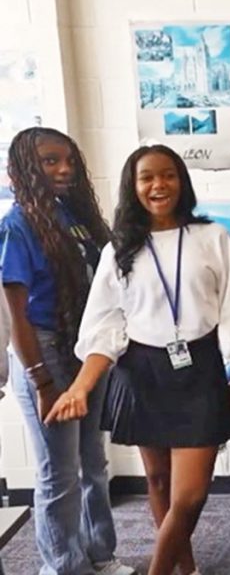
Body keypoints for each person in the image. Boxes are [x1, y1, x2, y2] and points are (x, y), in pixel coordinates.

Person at [43, 144, 230, 575]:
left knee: (191, 494)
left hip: (199, 369)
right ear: (133, 186)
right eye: (147, 177)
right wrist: (80, 388)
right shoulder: (119, 250)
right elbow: (105, 327)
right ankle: (187, 568)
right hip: (143, 372)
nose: (158, 185)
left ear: (181, 181)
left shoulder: (211, 238)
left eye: (168, 175)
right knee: (159, 480)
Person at [0, 127, 134, 575]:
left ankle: (99, 554)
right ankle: (63, 566)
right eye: (50, 161)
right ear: (25, 168)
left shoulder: (74, 216)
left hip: (85, 347)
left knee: (92, 462)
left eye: (69, 161)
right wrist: (41, 381)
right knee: (58, 473)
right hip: (46, 352)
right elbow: (16, 315)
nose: (64, 169)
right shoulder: (16, 225)